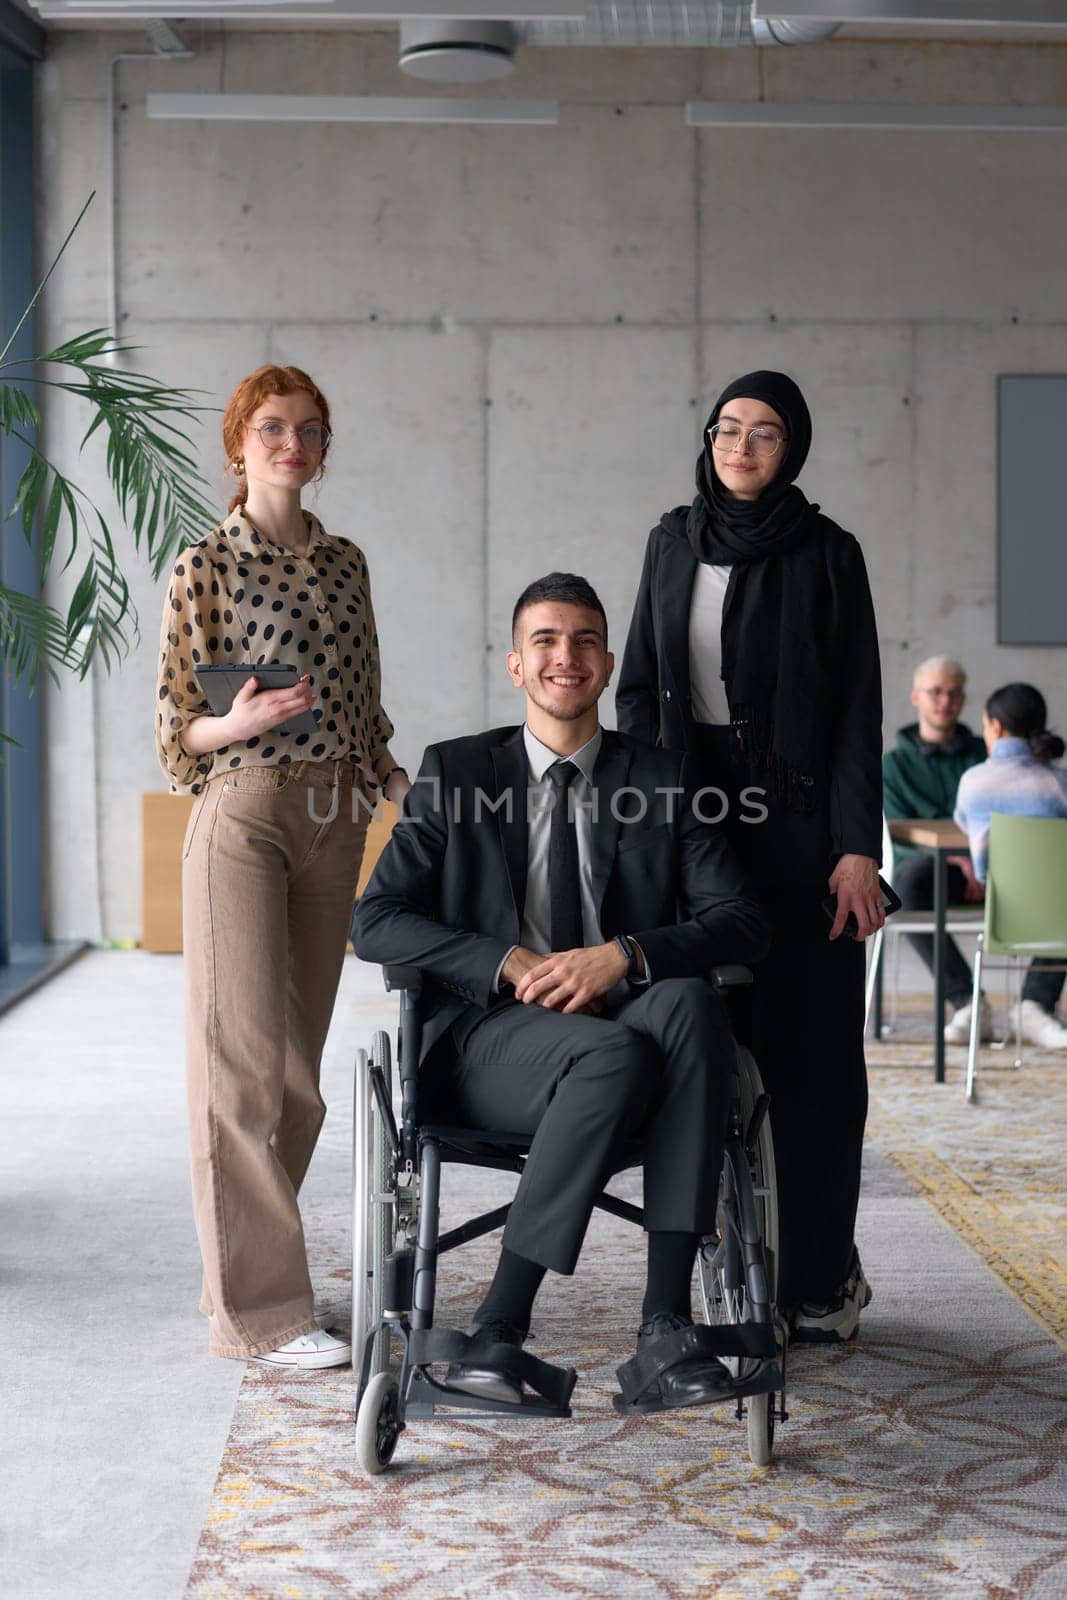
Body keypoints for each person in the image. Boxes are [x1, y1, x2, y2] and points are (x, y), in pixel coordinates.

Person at [355, 572, 770, 1411]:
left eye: (583, 640)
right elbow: (375, 922)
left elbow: (743, 920)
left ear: (607, 663)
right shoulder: (455, 770)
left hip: (628, 1026)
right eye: (544, 640)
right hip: (490, 1039)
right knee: (615, 1051)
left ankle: (665, 1328)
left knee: (687, 1005)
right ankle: (500, 1326)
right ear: (516, 664)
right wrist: (502, 961)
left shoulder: (663, 778)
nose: (564, 657)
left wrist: (623, 955)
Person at [616, 369, 883, 1344]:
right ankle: (733, 1272)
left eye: (764, 432)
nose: (741, 445)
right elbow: (641, 689)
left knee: (814, 1063)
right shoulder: (667, 542)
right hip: (692, 816)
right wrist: (646, 815)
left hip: (805, 826)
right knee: (711, 1054)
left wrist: (858, 847)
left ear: (790, 449)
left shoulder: (827, 553)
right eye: (727, 427)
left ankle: (818, 1278)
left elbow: (857, 708)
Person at [156, 363, 410, 1368]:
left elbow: (365, 696)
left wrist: (393, 777)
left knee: (297, 1078)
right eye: (270, 428)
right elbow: (177, 731)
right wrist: (241, 718)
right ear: (237, 443)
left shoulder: (345, 562)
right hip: (244, 814)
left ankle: (240, 1278)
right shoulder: (203, 565)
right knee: (244, 1067)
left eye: (308, 429)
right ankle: (262, 1314)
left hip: (336, 814)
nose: (291, 445)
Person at [954, 682, 1067, 1049]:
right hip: (1055, 915)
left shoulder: (973, 781)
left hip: (997, 906)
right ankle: (1035, 1004)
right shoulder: (1059, 783)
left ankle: (971, 1002)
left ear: (996, 727)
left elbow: (962, 823)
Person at [882, 656, 989, 1045]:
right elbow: (895, 843)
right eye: (936, 692)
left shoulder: (985, 754)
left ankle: (1036, 1003)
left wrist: (981, 862)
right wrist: (957, 861)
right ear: (916, 697)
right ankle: (968, 1002)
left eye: (954, 693)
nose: (945, 701)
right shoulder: (893, 765)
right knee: (904, 886)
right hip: (932, 878)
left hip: (995, 873)